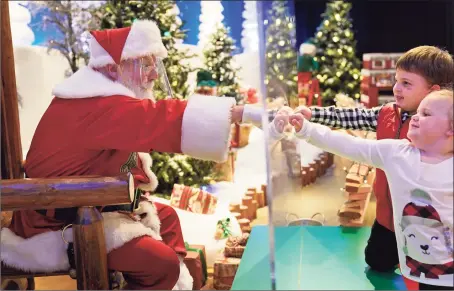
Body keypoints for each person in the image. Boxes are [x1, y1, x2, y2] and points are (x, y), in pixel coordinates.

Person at [0, 20, 263, 290]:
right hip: (58, 226)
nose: (153, 75)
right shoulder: (99, 104)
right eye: (145, 66)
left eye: (154, 66)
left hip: (89, 208)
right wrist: (242, 113)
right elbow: (163, 118)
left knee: (168, 218)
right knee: (161, 264)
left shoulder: (99, 99)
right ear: (113, 68)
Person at [294, 46, 454, 272]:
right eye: (396, 81)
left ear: (432, 91)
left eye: (407, 83)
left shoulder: (443, 130)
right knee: (377, 261)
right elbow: (354, 119)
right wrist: (312, 115)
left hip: (429, 227)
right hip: (387, 217)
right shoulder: (388, 113)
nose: (397, 89)